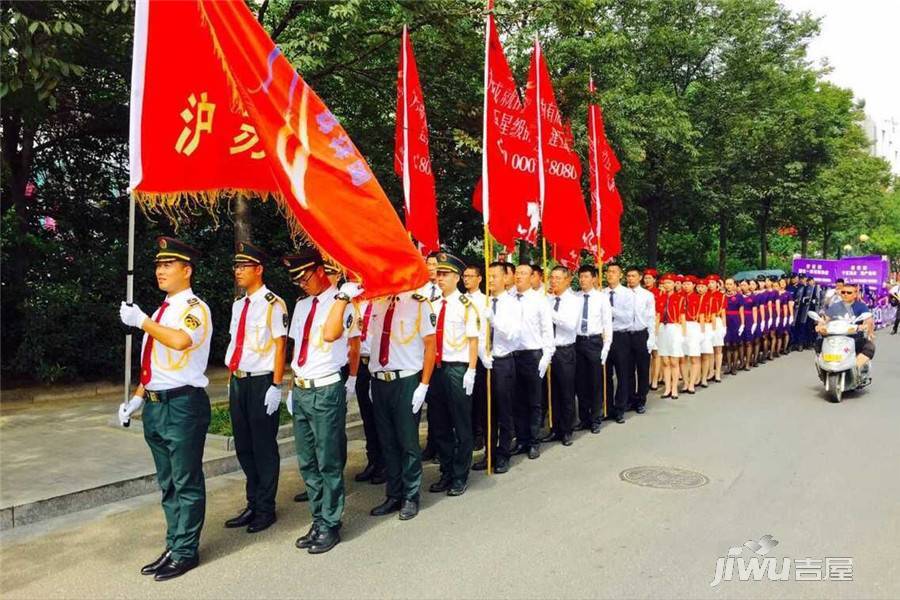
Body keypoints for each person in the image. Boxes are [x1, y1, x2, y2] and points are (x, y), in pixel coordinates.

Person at [117, 236, 211, 581]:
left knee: (185, 480)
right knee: (168, 482)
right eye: (158, 265)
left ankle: (186, 551)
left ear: (187, 270)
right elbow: (154, 362)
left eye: (168, 265)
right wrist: (138, 397)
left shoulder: (194, 309)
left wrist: (141, 321)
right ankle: (174, 544)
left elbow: (180, 341)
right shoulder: (162, 311)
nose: (160, 271)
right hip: (157, 405)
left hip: (183, 404)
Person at [284, 248, 360, 555]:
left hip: (326, 390)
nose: (300, 284)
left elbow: (330, 335)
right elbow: (296, 350)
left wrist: (341, 297)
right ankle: (317, 518)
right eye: (296, 280)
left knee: (328, 460)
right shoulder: (302, 305)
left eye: (303, 277)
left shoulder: (344, 303)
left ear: (320, 271)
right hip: (302, 390)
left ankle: (331, 522)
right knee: (307, 461)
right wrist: (291, 387)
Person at [223, 242, 287, 535]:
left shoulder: (274, 303)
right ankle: (252, 501)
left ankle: (265, 507)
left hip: (262, 380)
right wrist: (230, 380)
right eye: (236, 267)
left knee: (263, 446)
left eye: (243, 267)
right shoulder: (239, 304)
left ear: (258, 269)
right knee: (244, 444)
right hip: (239, 379)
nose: (237, 271)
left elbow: (279, 345)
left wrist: (276, 384)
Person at [360, 290, 436, 521]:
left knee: (407, 441)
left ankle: (411, 495)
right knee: (387, 441)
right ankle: (393, 494)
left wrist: (423, 384)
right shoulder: (377, 303)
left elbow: (430, 345)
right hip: (380, 380)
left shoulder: (419, 304)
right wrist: (373, 375)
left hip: (406, 380)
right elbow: (372, 343)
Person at [429, 253, 480, 496]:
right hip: (437, 370)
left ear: (457, 277)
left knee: (461, 424)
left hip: (458, 368)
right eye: (438, 273)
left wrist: (471, 370)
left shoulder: (465, 305)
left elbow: (473, 341)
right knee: (439, 424)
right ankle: (446, 471)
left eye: (444, 274)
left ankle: (460, 475)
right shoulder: (433, 304)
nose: (439, 278)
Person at [472, 261, 521, 473]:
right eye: (489, 276)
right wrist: (483, 355)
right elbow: (479, 334)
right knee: (485, 410)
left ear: (505, 278)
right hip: (486, 362)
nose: (491, 280)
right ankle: (489, 453)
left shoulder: (512, 304)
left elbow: (512, 335)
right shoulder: (484, 303)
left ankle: (503, 454)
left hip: (503, 362)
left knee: (503, 410)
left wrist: (495, 320)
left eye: (495, 276)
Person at [510, 264, 555, 458]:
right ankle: (521, 439)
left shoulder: (540, 300)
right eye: (517, 273)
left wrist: (546, 356)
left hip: (532, 355)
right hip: (513, 355)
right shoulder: (508, 299)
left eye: (523, 273)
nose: (519, 276)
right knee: (517, 401)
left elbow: (547, 330)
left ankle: (534, 440)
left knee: (534, 401)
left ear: (532, 277)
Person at [351, 297, 386, 486]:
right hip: (360, 365)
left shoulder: (380, 303)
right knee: (367, 418)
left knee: (380, 418)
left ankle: (385, 463)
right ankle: (373, 460)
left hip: (378, 364)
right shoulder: (354, 304)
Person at [574, 265, 612, 433]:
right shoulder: (575, 297)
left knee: (595, 381)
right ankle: (584, 417)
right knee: (580, 382)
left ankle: (596, 417)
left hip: (595, 341)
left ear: (595, 278)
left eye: (586, 276)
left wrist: (606, 347)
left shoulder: (602, 298)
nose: (582, 280)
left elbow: (607, 324)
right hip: (578, 341)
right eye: (581, 276)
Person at [545, 265, 580, 444]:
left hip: (564, 350)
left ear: (568, 280)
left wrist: (549, 313)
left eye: (558, 278)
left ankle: (567, 429)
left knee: (566, 390)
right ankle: (555, 427)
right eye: (552, 277)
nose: (554, 281)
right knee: (553, 391)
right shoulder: (548, 300)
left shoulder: (573, 300)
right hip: (548, 349)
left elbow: (569, 324)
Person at [816, 283, 876, 372]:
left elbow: (868, 319)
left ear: (855, 294)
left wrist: (865, 326)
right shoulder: (834, 306)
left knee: (869, 347)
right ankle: (823, 369)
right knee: (818, 343)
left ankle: (855, 368)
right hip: (834, 338)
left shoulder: (861, 306)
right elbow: (825, 319)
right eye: (843, 292)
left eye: (849, 292)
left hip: (854, 338)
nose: (845, 294)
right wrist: (820, 326)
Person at [463, 265, 489, 452]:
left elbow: (484, 330)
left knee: (479, 398)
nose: (467, 279)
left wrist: (483, 353)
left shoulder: (485, 301)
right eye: (465, 276)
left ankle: (479, 434)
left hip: (478, 354)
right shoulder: (458, 299)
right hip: (460, 354)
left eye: (471, 276)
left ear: (479, 279)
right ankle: (467, 433)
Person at [625, 266, 656, 414]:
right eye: (628, 276)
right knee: (627, 369)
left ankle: (641, 399)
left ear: (640, 277)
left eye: (633, 276)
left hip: (641, 334)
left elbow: (651, 318)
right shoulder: (622, 294)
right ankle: (630, 399)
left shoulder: (647, 295)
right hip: (625, 335)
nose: (630, 278)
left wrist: (651, 339)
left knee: (643, 369)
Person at [655, 274, 685, 399]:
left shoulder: (680, 298)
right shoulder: (660, 298)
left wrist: (683, 333)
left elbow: (682, 316)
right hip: (663, 327)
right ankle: (667, 388)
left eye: (669, 282)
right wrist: (655, 331)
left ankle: (674, 388)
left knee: (674, 360)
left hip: (674, 327)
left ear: (674, 284)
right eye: (665, 283)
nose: (667, 285)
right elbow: (657, 315)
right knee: (665, 360)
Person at [642, 268, 662, 390]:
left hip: (654, 324)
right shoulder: (642, 292)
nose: (647, 280)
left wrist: (655, 329)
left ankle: (655, 379)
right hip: (643, 325)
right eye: (645, 278)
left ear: (655, 280)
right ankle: (648, 378)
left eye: (650, 278)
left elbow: (658, 313)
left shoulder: (659, 293)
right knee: (646, 354)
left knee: (655, 353)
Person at [722, 277, 745, 375]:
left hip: (735, 320)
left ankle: (735, 366)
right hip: (726, 320)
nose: (728, 286)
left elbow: (741, 311)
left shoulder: (739, 296)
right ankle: (729, 365)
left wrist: (742, 323)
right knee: (727, 345)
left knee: (735, 344)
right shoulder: (723, 296)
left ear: (734, 285)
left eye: (730, 284)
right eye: (727, 284)